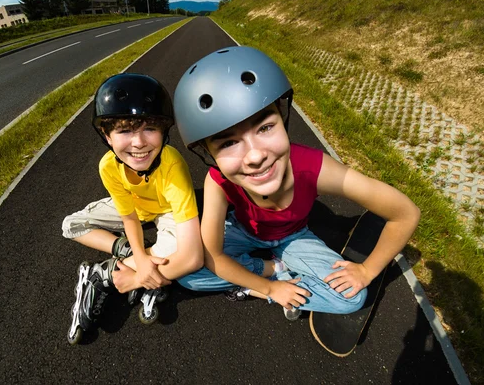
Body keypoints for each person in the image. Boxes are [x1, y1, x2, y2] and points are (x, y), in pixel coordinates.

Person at [173, 46, 420, 320]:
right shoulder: (218, 180)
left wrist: (366, 271)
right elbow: (214, 256)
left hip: (293, 237)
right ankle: (274, 270)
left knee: (352, 297)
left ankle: (254, 280)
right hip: (243, 231)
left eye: (265, 127)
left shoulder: (315, 168)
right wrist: (270, 287)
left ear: (283, 118)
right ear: (209, 155)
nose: (255, 156)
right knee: (188, 274)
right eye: (229, 143)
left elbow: (405, 213)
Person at [64, 73, 203, 343]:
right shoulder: (108, 166)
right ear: (106, 135)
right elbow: (128, 216)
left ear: (164, 131)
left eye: (149, 129)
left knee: (180, 251)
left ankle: (102, 274)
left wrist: (138, 276)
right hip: (136, 210)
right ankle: (124, 250)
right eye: (125, 131)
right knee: (71, 225)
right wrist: (139, 257)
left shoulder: (172, 166)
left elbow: (194, 256)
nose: (138, 143)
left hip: (165, 211)